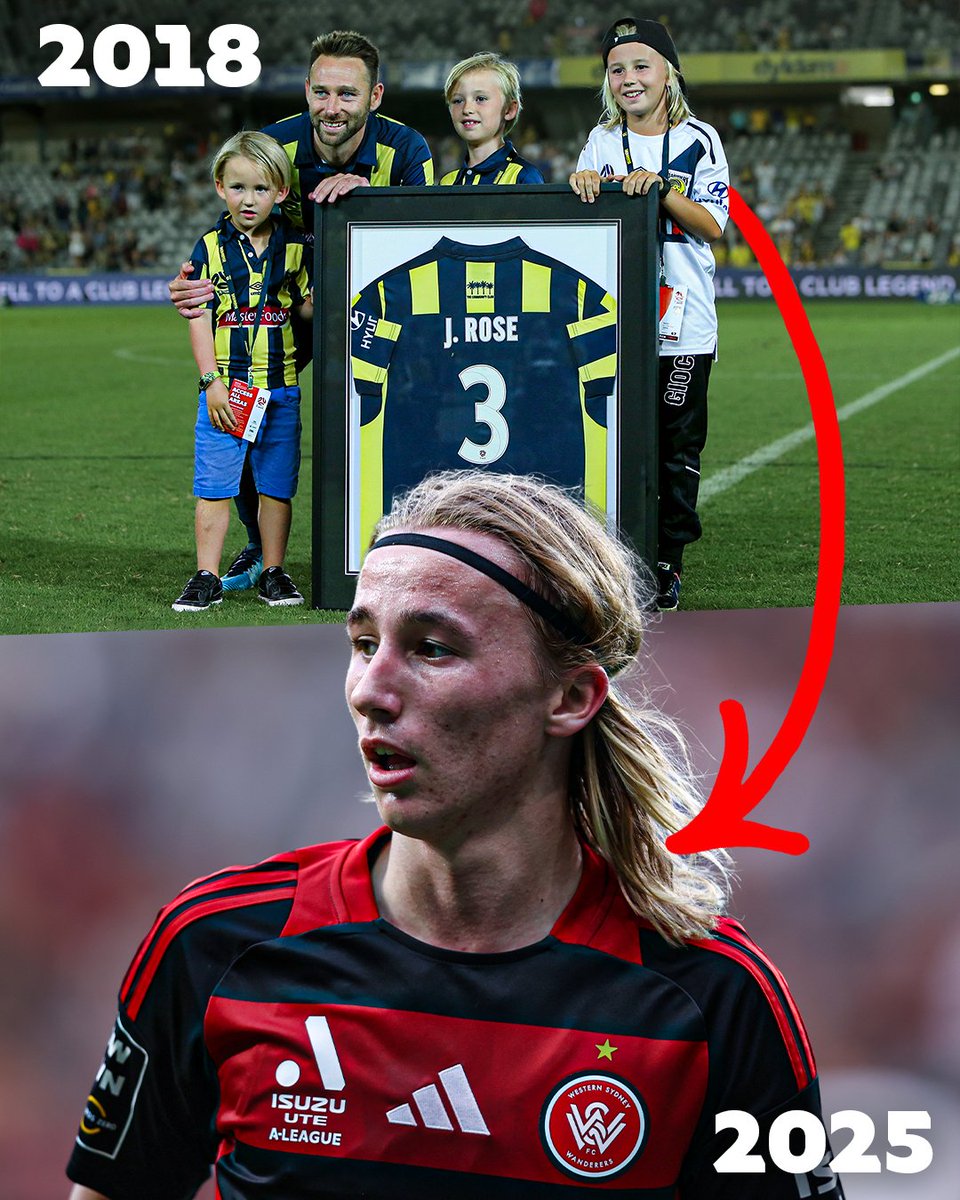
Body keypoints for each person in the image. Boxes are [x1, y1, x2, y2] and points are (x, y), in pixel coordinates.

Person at [67, 470, 842, 1198]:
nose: (371, 690)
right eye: (364, 643)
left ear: (570, 696)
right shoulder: (219, 944)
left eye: (432, 648)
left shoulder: (714, 999)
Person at [171, 30, 435, 595]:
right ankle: (256, 547)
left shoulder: (408, 151)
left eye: (347, 93)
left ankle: (405, 550)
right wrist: (195, 284)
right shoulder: (275, 145)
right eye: (321, 92)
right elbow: (234, 224)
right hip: (288, 316)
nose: (332, 107)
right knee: (246, 433)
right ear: (306, 91)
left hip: (379, 314)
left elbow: (426, 237)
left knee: (404, 424)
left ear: (376, 96)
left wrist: (367, 196)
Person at [570, 17, 729, 611]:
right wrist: (583, 182)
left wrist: (660, 187)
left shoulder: (700, 137)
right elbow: (584, 222)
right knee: (615, 440)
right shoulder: (601, 141)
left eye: (641, 66)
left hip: (684, 324)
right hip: (615, 324)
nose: (629, 79)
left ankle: (668, 561)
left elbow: (713, 225)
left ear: (669, 73)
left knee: (675, 446)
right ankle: (614, 554)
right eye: (617, 69)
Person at [171, 131, 312, 613]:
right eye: (237, 187)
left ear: (281, 192)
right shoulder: (209, 247)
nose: (248, 199)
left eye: (260, 188)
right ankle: (205, 575)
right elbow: (198, 317)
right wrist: (210, 381)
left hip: (282, 389)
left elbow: (307, 308)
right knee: (214, 487)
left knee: (276, 486)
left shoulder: (296, 246)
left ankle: (273, 570)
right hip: (227, 390)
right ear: (219, 187)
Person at [440, 52, 544, 185]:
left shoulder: (523, 177)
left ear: (509, 110)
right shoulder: (447, 182)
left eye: (480, 99)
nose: (467, 109)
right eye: (458, 100)